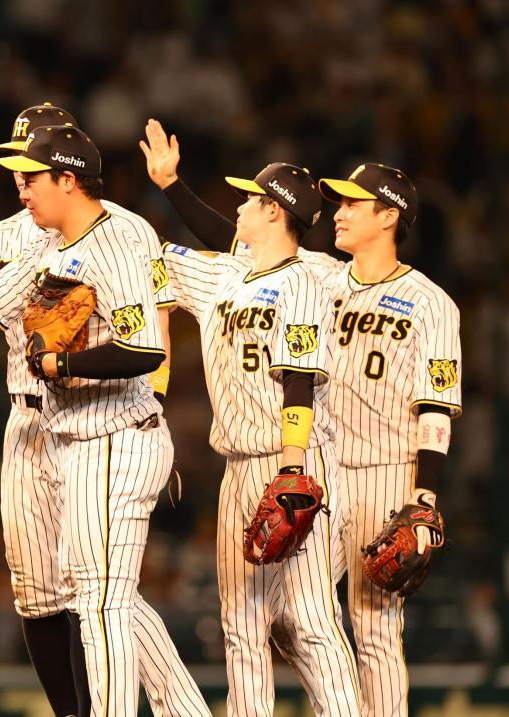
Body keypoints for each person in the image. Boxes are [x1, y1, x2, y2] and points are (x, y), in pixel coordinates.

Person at [0, 125, 209, 717]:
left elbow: (145, 350)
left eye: (32, 178)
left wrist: (66, 360)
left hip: (118, 433)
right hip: (66, 434)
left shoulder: (121, 239)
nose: (20, 187)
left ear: (67, 178)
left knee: (101, 604)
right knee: (103, 597)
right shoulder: (52, 248)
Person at [142, 119, 462, 716]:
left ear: (388, 216)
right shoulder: (319, 273)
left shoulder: (431, 303)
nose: (339, 209)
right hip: (322, 455)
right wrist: (173, 187)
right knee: (284, 619)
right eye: (336, 201)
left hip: (385, 470)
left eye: (354, 202)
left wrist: (425, 495)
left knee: (367, 626)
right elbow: (239, 252)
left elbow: (437, 404)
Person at [159, 161, 361, 716]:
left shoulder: (304, 283)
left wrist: (293, 468)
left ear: (274, 210)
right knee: (240, 622)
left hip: (295, 458)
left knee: (310, 618)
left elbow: (299, 379)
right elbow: (149, 258)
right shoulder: (225, 274)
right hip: (238, 466)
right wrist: (167, 184)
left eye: (250, 199)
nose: (240, 207)